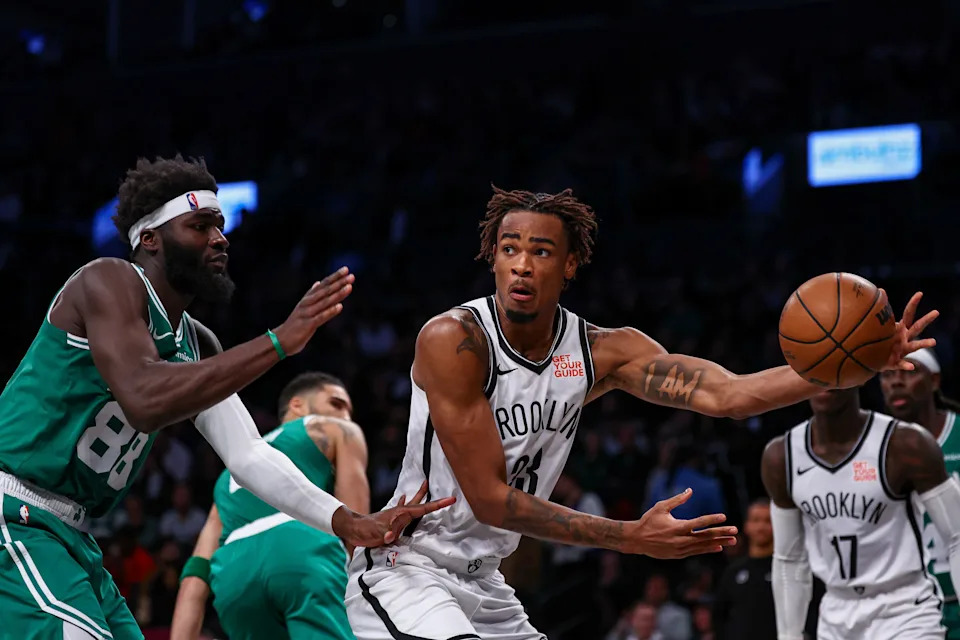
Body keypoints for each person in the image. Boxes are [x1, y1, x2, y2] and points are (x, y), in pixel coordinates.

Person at [344, 185, 936, 639]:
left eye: (541, 251)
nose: (522, 264)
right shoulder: (454, 340)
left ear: (570, 265)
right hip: (407, 566)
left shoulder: (603, 351)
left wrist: (851, 364)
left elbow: (728, 396)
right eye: (509, 249)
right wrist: (629, 537)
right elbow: (490, 498)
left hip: (484, 579)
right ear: (492, 259)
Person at [0, 155, 451, 640]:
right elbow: (143, 399)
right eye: (200, 226)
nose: (221, 238)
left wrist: (347, 521)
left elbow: (250, 456)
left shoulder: (197, 342)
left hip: (74, 534)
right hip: (15, 513)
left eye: (220, 225)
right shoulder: (108, 280)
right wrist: (278, 342)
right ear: (149, 239)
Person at [170, 371, 372, 640]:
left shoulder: (229, 473)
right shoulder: (334, 429)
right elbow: (356, 525)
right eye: (336, 403)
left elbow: (196, 574)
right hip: (303, 551)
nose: (345, 414)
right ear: (296, 404)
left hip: (233, 576)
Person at [762, 388, 960, 640]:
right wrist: (789, 635)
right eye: (815, 369)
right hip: (835, 613)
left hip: (905, 608)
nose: (824, 381)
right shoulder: (781, 456)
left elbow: (957, 535)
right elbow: (789, 559)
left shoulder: (905, 443)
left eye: (833, 367)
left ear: (857, 372)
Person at [882, 347, 960, 638]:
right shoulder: (877, 447)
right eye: (887, 375)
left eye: (908, 372)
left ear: (935, 380)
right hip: (908, 612)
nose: (895, 382)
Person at [713, 499, 776, 640]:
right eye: (756, 520)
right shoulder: (732, 572)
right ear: (747, 526)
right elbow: (719, 617)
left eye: (768, 521)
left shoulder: (786, 570)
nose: (761, 527)